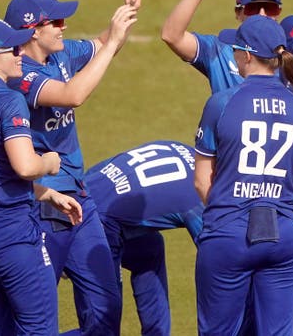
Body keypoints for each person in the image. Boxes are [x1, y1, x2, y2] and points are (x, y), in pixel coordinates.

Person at [3, 0, 142, 336]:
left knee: (106, 307)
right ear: (33, 31)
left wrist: (122, 20)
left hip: (80, 198)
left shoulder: (60, 54)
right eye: (57, 22)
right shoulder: (20, 74)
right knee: (36, 315)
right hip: (44, 202)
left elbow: (99, 47)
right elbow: (71, 95)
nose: (64, 27)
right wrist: (110, 45)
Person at [193, 15, 293, 335]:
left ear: (247, 55)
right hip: (283, 237)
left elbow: (201, 181)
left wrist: (231, 210)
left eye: (235, 50)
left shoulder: (221, 103)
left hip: (228, 236)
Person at [0, 18, 82, 335]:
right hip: (10, 229)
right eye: (12, 49)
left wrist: (47, 193)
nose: (20, 54)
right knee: (39, 327)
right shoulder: (8, 98)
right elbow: (25, 166)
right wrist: (50, 162)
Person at [82, 140, 203, 336]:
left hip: (82, 195)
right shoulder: (199, 201)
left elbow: (99, 172)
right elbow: (218, 261)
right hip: (93, 224)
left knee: (149, 249)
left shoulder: (182, 148)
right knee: (103, 327)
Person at [161, 0, 282, 93]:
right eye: (252, 8)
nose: (262, 14)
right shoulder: (218, 52)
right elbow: (171, 36)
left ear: (279, 12)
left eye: (270, 8)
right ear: (238, 13)